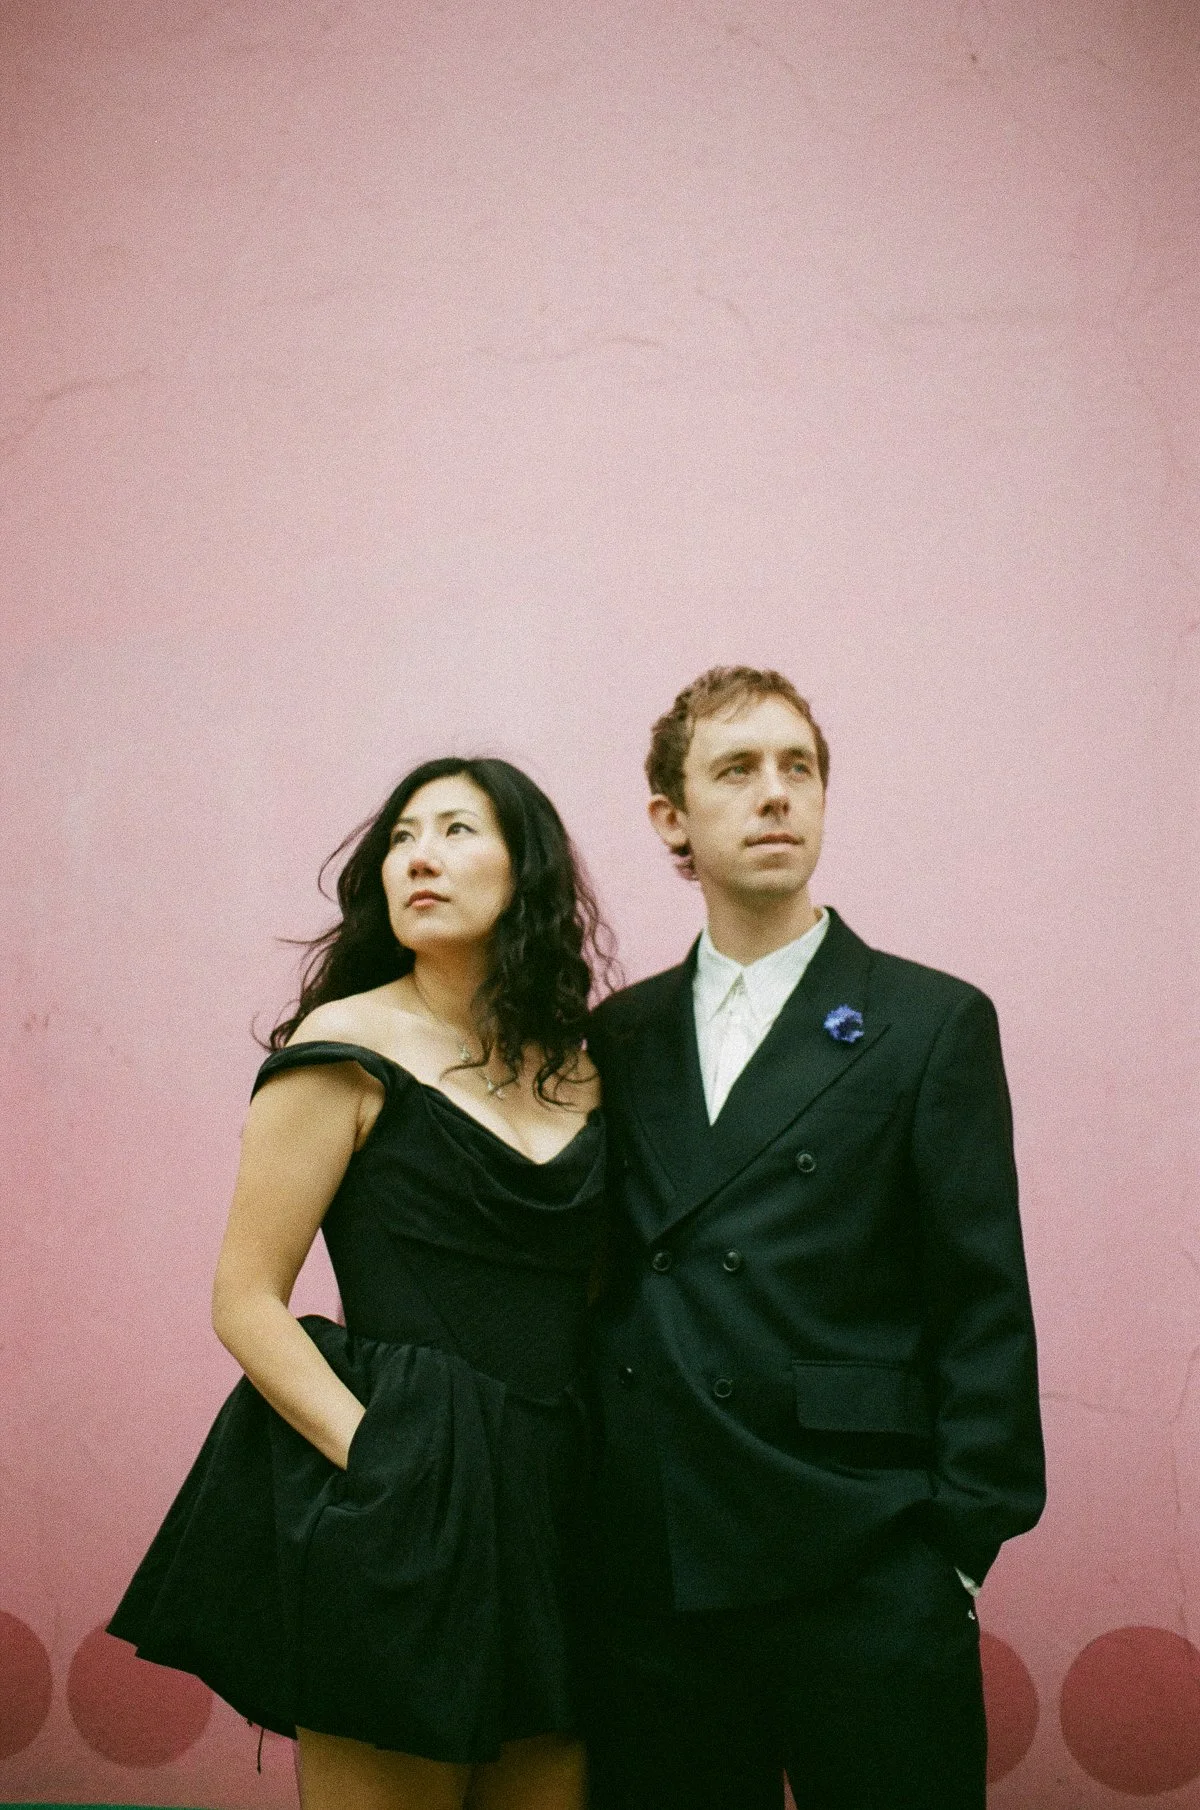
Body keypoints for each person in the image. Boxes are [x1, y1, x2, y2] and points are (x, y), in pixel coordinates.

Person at [109, 756, 614, 1810]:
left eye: (458, 830)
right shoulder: (344, 1043)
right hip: (409, 1492)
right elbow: (244, 1298)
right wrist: (380, 1456)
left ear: (528, 873)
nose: (420, 854)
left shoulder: (585, 1064)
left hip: (562, 1498)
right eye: (401, 836)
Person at [586, 667, 1046, 1810]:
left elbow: (982, 1299)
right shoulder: (617, 1035)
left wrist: (955, 1547)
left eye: (799, 768)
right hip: (664, 1569)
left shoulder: (927, 1020)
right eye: (736, 770)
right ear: (672, 820)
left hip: (866, 1555)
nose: (776, 794)